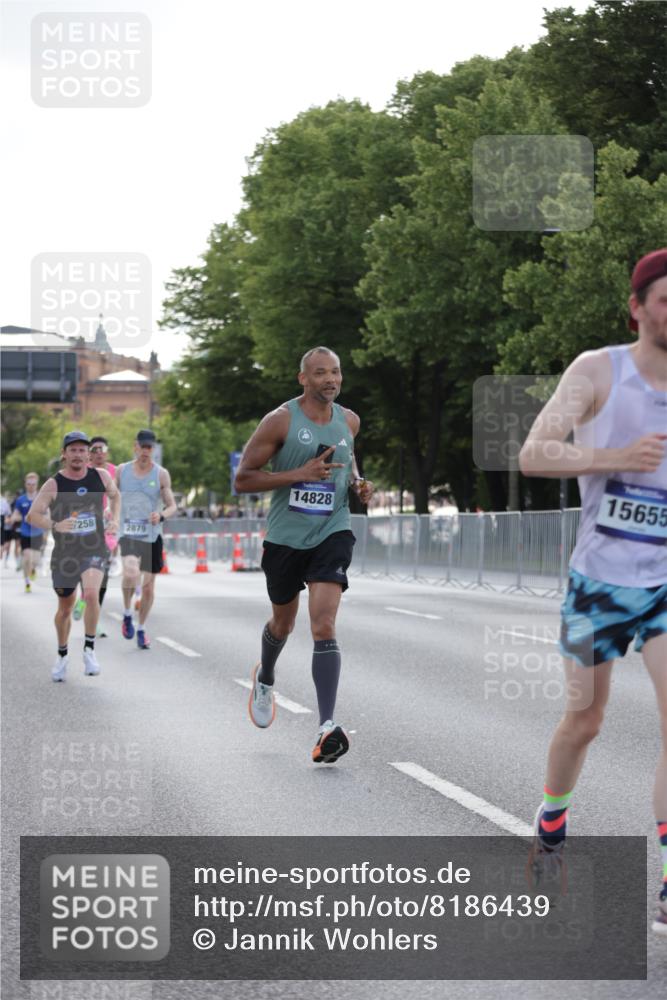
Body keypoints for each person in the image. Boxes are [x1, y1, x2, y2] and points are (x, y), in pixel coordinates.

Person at [519, 249, 667, 934]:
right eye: (664, 300)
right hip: (594, 583)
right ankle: (551, 822)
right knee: (585, 721)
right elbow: (532, 452)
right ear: (636, 307)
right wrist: (615, 458)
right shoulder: (595, 370)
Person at [234, 346, 374, 763]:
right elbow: (243, 479)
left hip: (332, 530)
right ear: (303, 379)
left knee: (324, 623)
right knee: (283, 622)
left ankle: (326, 726)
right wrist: (299, 474)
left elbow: (348, 466)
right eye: (320, 373)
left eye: (335, 372)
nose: (330, 380)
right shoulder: (279, 421)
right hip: (285, 538)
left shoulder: (349, 421)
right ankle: (266, 676)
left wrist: (359, 485)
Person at [25, 431, 120, 681]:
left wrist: (114, 518)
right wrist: (55, 525)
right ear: (64, 454)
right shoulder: (54, 484)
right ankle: (62, 653)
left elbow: (116, 496)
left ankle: (89, 650)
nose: (78, 455)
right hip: (66, 553)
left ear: (88, 454)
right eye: (73, 450)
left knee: (90, 594)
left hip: (95, 548)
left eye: (82, 450)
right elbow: (32, 515)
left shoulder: (100, 476)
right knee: (65, 609)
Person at [116, 429, 177, 649]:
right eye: (142, 446)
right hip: (128, 532)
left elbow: (172, 506)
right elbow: (112, 498)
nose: (145, 451)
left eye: (149, 447)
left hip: (151, 535)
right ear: (135, 447)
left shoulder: (161, 474)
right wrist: (109, 514)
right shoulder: (122, 471)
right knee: (131, 572)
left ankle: (141, 628)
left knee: (149, 588)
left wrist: (161, 515)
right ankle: (126, 613)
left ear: (153, 449)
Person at [72, 435, 117, 636]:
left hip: (107, 528)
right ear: (90, 453)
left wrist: (114, 517)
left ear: (107, 451)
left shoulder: (114, 471)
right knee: (87, 569)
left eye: (102, 448)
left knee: (103, 573)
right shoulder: (81, 471)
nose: (99, 452)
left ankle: (89, 604)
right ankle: (86, 601)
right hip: (85, 527)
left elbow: (118, 496)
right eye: (95, 449)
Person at [11, 472, 44, 593]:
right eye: (29, 484)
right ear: (25, 484)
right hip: (25, 532)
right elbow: (16, 513)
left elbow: (47, 513)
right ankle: (27, 582)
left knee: (35, 560)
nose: (31, 486)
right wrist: (15, 518)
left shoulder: (41, 498)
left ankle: (33, 569)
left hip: (38, 532)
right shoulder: (20, 500)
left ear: (37, 485)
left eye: (33, 484)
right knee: (26, 557)